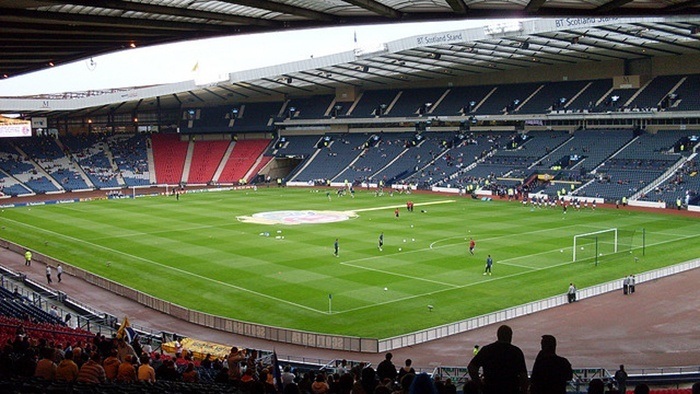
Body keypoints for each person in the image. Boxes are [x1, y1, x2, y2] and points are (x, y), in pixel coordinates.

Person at [467, 325, 528, 394]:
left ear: (498, 335)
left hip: (490, 390)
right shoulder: (516, 352)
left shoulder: (487, 350)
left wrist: (480, 385)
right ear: (510, 336)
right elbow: (524, 377)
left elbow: (471, 368)